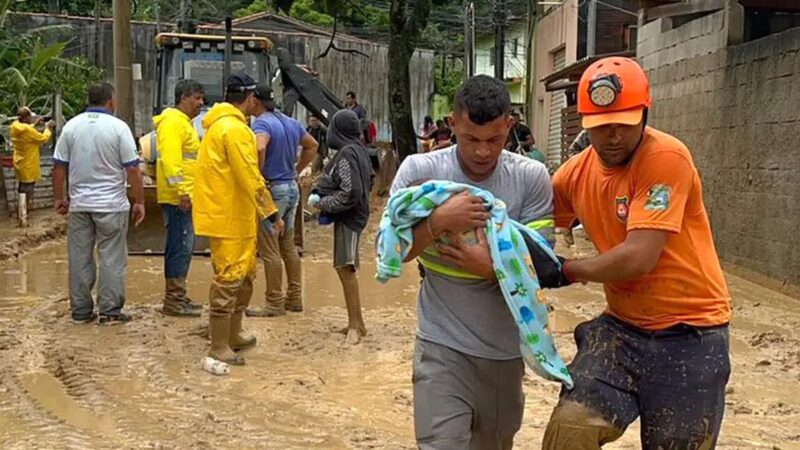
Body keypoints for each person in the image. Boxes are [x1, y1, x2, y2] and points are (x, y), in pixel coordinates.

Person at [543, 57, 731, 449]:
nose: (613, 136)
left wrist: (567, 270)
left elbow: (639, 257)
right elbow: (531, 226)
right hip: (621, 331)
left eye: (624, 124)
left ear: (644, 114)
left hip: (691, 335)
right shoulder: (573, 175)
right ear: (584, 125)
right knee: (569, 430)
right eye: (601, 127)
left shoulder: (665, 158)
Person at [390, 75, 555, 449]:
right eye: (470, 139)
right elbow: (392, 252)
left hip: (504, 353)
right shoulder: (420, 173)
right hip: (440, 345)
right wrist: (438, 222)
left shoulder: (531, 178)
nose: (482, 152)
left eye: (493, 140)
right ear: (452, 125)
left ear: (509, 126)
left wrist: (493, 267)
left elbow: (544, 266)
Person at [52, 82, 146, 325]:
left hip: (80, 205)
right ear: (111, 101)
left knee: (79, 256)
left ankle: (81, 311)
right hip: (112, 206)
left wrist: (59, 198)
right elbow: (133, 169)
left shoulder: (71, 127)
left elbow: (59, 166)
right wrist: (139, 201)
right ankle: (110, 311)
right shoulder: (118, 128)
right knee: (112, 258)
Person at [244, 84, 318, 318]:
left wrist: (259, 173)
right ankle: (294, 298)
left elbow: (260, 146)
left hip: (273, 190)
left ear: (255, 100)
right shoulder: (289, 121)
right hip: (292, 188)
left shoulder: (262, 124)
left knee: (269, 248)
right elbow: (312, 145)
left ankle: (274, 302)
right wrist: (298, 169)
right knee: (287, 245)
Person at [308, 109, 373, 344]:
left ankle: (356, 326)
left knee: (346, 268)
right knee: (344, 267)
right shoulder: (359, 150)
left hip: (350, 216)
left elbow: (350, 191)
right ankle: (356, 323)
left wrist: (324, 203)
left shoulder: (347, 154)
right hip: (355, 215)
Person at [154, 79, 205, 317]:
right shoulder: (174, 122)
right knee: (180, 246)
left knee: (184, 246)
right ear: (183, 98)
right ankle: (173, 300)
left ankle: (178, 296)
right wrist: (182, 191)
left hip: (184, 195)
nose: (201, 103)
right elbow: (171, 160)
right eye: (196, 98)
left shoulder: (182, 123)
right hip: (178, 198)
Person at [10, 106, 55, 227]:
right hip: (29, 163)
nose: (31, 118)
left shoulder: (14, 126)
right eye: (30, 116)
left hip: (19, 161)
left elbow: (25, 129)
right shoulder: (27, 131)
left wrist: (34, 123)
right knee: (28, 189)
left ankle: (20, 212)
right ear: (25, 118)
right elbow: (42, 138)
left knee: (22, 188)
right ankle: (24, 216)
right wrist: (47, 128)